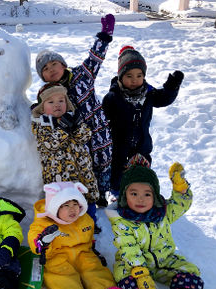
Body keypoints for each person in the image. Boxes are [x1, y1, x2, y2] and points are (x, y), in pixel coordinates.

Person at [105, 154, 209, 289]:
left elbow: (181, 204)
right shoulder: (122, 221)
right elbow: (127, 246)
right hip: (134, 266)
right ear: (124, 196)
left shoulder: (162, 213)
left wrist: (180, 188)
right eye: (134, 193)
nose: (141, 199)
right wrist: (140, 271)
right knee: (128, 280)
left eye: (147, 194)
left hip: (163, 260)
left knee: (189, 270)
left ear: (155, 196)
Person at [28, 181, 142, 289]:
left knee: (95, 273)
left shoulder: (85, 220)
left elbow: (88, 239)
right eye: (66, 205)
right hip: (57, 258)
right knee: (64, 283)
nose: (73, 209)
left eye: (75, 203)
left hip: (83, 253)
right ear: (54, 207)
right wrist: (42, 241)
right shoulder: (44, 224)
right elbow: (34, 238)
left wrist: (92, 249)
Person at [35, 14, 114, 208]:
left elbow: (95, 59)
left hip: (99, 130)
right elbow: (40, 110)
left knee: (104, 162)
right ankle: (89, 196)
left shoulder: (82, 75)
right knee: (87, 165)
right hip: (79, 136)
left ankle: (103, 193)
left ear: (63, 65)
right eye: (45, 68)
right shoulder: (48, 94)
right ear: (43, 77)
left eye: (54, 64)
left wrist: (104, 37)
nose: (51, 69)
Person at [102, 46, 184, 201]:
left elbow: (164, 98)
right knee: (117, 175)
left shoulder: (148, 93)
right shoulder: (113, 97)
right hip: (118, 147)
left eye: (139, 75)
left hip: (142, 146)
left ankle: (139, 199)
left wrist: (172, 86)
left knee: (140, 174)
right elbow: (102, 121)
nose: (135, 80)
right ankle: (117, 197)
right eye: (129, 75)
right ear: (120, 77)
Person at [30, 83, 101, 233]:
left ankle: (89, 232)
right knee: (65, 206)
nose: (57, 105)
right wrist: (62, 128)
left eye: (61, 101)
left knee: (86, 201)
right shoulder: (41, 125)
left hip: (82, 173)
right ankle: (67, 235)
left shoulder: (74, 118)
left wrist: (75, 125)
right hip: (60, 178)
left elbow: (85, 136)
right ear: (42, 108)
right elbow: (49, 144)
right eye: (51, 102)